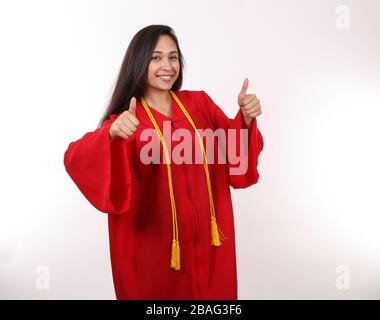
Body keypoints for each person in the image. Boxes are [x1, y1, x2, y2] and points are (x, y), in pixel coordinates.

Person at [63, 24, 264, 300]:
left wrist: (247, 118)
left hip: (210, 248)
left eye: (172, 57)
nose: (166, 65)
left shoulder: (200, 105)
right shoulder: (127, 121)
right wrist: (109, 135)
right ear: (139, 62)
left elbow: (236, 155)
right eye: (155, 57)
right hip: (154, 258)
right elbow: (75, 157)